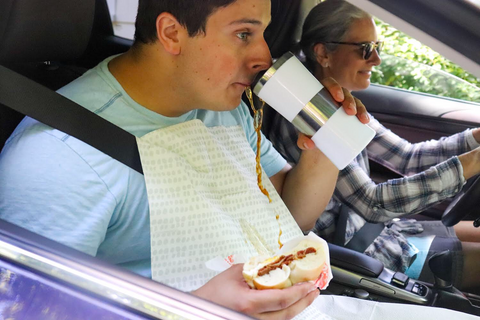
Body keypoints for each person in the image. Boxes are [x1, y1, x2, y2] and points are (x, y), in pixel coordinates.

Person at [0, 0, 369, 318]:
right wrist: (193, 309)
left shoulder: (221, 107)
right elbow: (26, 310)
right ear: (172, 33)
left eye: (262, 34)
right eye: (244, 34)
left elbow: (285, 218)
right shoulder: (61, 155)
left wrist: (326, 144)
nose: (264, 57)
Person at [268, 0, 480, 291]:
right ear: (323, 53)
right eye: (365, 49)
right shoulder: (307, 114)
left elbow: (406, 157)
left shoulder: (338, 101)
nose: (377, 59)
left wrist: (475, 140)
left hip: (393, 232)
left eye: (377, 46)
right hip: (367, 256)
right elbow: (373, 203)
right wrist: (471, 164)